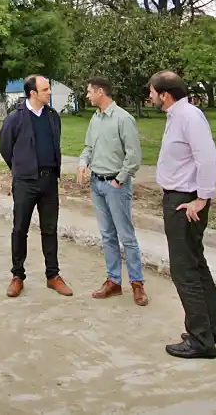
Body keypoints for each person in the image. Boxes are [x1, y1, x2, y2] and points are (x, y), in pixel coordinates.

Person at [148, 70, 216, 359]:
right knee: (197, 265)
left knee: (184, 272)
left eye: (152, 92)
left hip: (185, 202)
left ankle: (200, 339)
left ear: (164, 94)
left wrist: (201, 199)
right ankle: (214, 329)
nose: (150, 96)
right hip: (181, 198)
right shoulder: (178, 116)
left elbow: (208, 157)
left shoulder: (189, 116)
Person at [0, 74, 73, 298]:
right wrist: (21, 168)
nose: (49, 92)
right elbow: (5, 148)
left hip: (49, 181)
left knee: (49, 230)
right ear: (33, 93)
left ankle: (53, 276)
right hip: (25, 182)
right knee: (20, 229)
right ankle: (17, 276)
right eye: (45, 89)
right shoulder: (16, 118)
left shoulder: (52, 116)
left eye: (48, 89)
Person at [76, 76, 146, 306]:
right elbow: (87, 147)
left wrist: (119, 179)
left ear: (100, 92)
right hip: (96, 184)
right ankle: (114, 281)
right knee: (107, 235)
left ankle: (137, 284)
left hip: (116, 185)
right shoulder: (95, 119)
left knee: (126, 236)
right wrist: (82, 163)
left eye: (89, 92)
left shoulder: (123, 119)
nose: (87, 95)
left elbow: (134, 156)